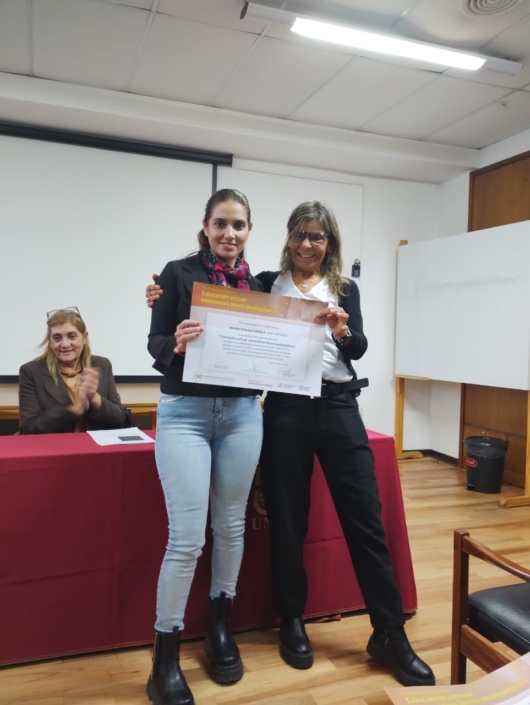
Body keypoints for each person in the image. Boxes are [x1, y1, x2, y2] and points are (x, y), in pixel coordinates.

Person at [145, 201, 435, 689]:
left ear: (329, 242)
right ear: (286, 237)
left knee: (366, 520)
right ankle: (292, 621)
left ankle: (389, 632)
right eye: (299, 234)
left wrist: (343, 330)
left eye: (317, 236)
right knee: (286, 520)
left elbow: (360, 347)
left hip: (338, 406)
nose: (307, 243)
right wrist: (161, 294)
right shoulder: (264, 284)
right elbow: (219, 304)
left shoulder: (345, 288)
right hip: (283, 410)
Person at [146, 189, 264, 705]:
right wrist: (176, 342)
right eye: (221, 223)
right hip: (185, 414)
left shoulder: (260, 287)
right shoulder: (176, 274)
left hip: (242, 414)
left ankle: (219, 627)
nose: (229, 234)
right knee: (187, 538)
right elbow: (154, 343)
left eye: (238, 225)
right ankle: (165, 657)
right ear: (206, 225)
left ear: (248, 230)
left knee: (232, 527)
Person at [19, 308, 128, 434]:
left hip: (96, 443)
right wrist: (76, 410)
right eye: (57, 338)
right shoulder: (32, 371)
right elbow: (28, 428)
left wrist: (95, 398)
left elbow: (120, 420)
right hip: (57, 444)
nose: (65, 344)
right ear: (50, 342)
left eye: (72, 336)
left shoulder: (102, 364)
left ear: (85, 337)